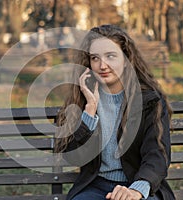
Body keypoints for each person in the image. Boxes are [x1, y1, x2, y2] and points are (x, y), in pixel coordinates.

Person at [55, 24, 175, 200]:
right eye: (95, 58)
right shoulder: (80, 100)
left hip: (139, 184)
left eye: (110, 56)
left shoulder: (149, 101)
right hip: (96, 186)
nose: (102, 65)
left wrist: (136, 190)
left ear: (126, 60)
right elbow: (73, 158)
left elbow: (157, 154)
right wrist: (90, 110)